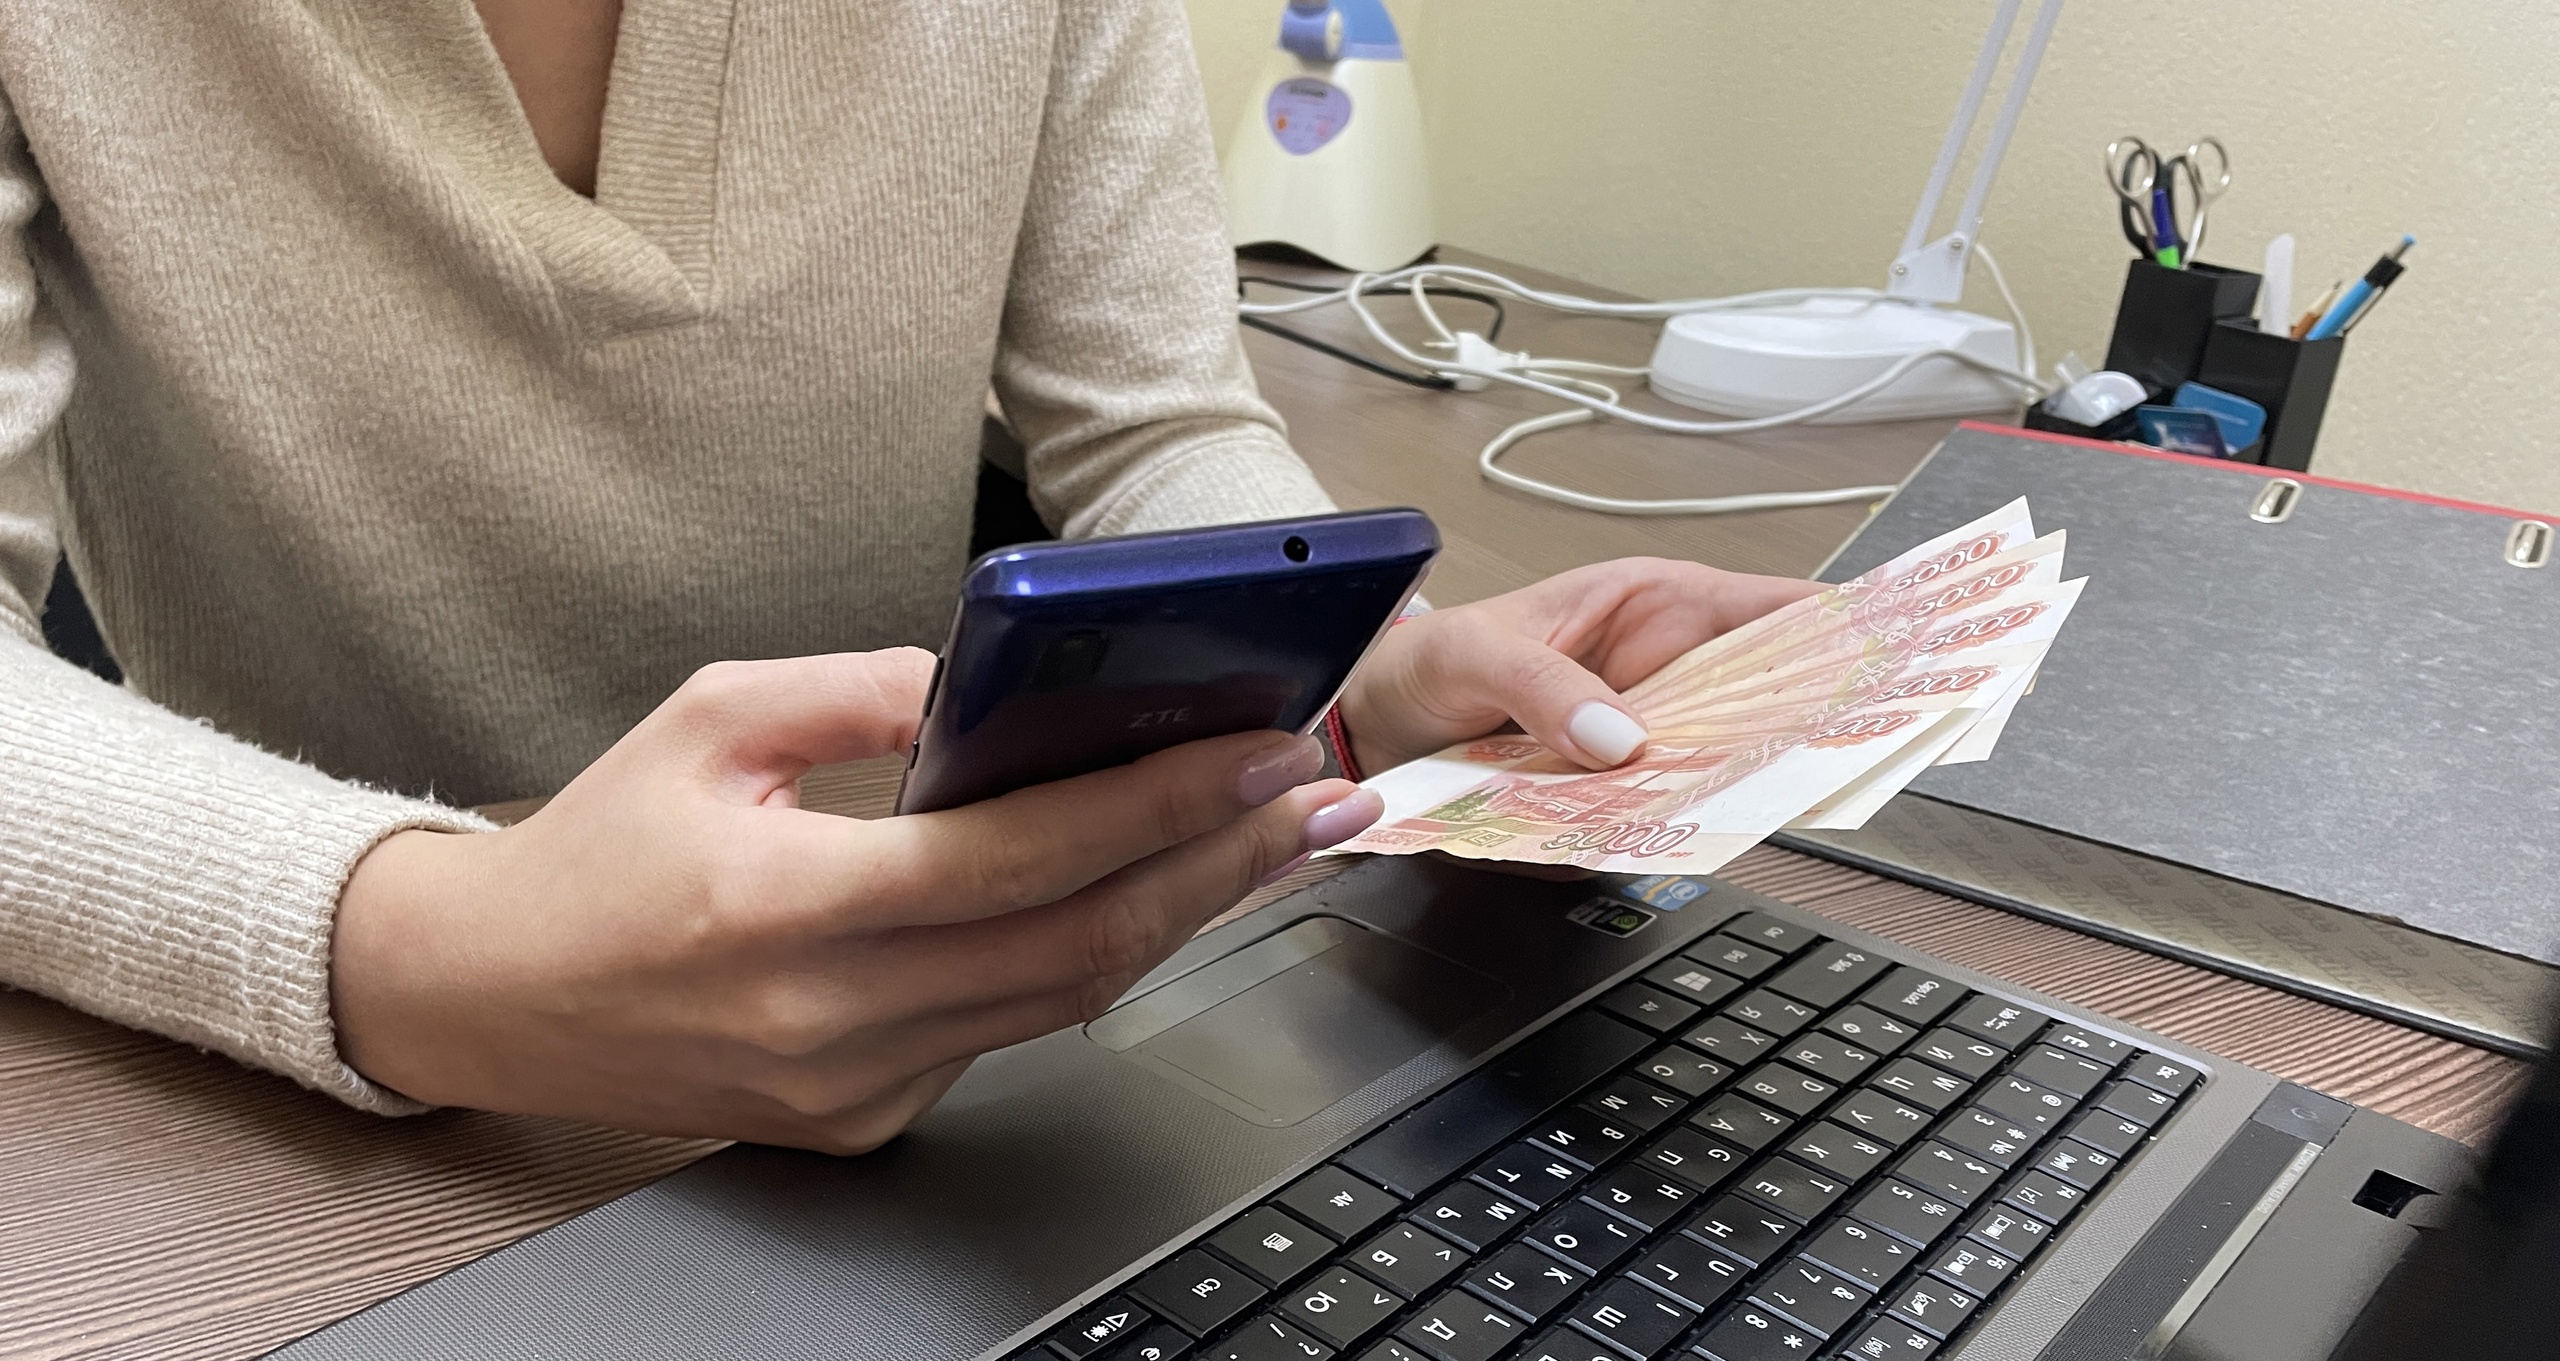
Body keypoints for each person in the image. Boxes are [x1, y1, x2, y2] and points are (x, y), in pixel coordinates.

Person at [0, 0, 1810, 1152]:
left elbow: (1151, 417)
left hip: (958, 1002)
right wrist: (410, 951)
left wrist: (1354, 654)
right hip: (322, 1106)